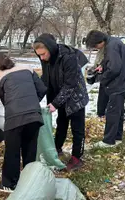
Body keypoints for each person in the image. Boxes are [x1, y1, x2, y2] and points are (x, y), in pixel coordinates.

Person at [33, 33, 89, 171]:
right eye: (39, 55)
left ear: (50, 49)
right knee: (61, 123)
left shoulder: (68, 57)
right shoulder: (46, 59)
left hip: (76, 97)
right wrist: (36, 99)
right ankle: (56, 149)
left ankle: (77, 157)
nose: (42, 57)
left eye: (43, 54)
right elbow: (46, 79)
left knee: (77, 128)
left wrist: (55, 103)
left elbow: (70, 84)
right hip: (61, 96)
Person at [0, 54, 47, 192]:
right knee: (30, 148)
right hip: (34, 116)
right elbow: (42, 88)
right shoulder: (27, 68)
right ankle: (30, 180)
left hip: (14, 117)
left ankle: (9, 184)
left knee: (12, 150)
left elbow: (4, 97)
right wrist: (32, 103)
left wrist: (14, 107)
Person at [85, 30, 125, 148]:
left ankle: (108, 141)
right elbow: (112, 62)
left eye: (95, 46)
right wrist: (102, 66)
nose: (96, 48)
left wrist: (102, 77)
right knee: (117, 110)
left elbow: (114, 68)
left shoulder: (111, 46)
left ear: (100, 41)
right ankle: (117, 137)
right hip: (123, 80)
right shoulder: (112, 42)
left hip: (119, 83)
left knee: (112, 111)